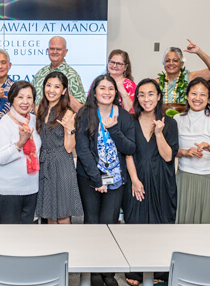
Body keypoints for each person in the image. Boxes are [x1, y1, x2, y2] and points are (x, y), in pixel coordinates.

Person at [75, 74, 135, 286]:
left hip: (116, 179)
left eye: (111, 88)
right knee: (92, 223)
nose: (107, 92)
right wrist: (97, 178)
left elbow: (130, 148)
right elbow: (82, 149)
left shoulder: (125, 117)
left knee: (109, 224)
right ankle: (92, 273)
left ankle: (107, 272)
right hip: (89, 177)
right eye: (102, 88)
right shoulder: (85, 114)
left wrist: (113, 129)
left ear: (115, 93)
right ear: (95, 91)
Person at [174, 77, 210, 224]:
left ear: (208, 98)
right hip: (185, 179)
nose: (197, 98)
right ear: (187, 96)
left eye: (203, 94)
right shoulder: (177, 119)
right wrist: (185, 152)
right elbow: (171, 151)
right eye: (194, 93)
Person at [123, 78, 179, 224]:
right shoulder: (129, 121)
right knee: (135, 227)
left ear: (159, 96)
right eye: (141, 95)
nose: (146, 99)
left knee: (161, 231)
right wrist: (135, 181)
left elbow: (168, 157)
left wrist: (159, 133)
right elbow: (127, 154)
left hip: (162, 183)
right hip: (136, 182)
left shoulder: (170, 123)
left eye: (150, 94)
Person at [35, 72, 83, 224]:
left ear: (64, 91)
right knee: (48, 213)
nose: (51, 90)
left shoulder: (67, 113)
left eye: (57, 87)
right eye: (48, 85)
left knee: (63, 214)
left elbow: (69, 148)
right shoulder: (38, 110)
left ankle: (66, 246)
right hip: (44, 164)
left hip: (62, 164)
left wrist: (70, 130)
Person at [0, 81, 42, 224]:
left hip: (32, 188)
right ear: (12, 99)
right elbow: (1, 158)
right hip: (9, 191)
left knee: (27, 237)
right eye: (20, 97)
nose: (25, 102)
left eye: (29, 97)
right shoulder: (4, 123)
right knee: (9, 239)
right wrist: (20, 142)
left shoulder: (33, 120)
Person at [157, 39, 210, 106]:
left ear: (181, 64)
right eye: (167, 61)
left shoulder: (190, 77)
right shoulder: (157, 82)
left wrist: (199, 52)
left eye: (175, 60)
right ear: (163, 63)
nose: (171, 63)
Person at [33, 36, 86, 112]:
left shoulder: (72, 75)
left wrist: (66, 95)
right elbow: (31, 99)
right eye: (52, 49)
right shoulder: (40, 73)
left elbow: (81, 109)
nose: (55, 52)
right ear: (48, 50)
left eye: (58, 49)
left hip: (61, 122)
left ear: (65, 52)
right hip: (38, 121)